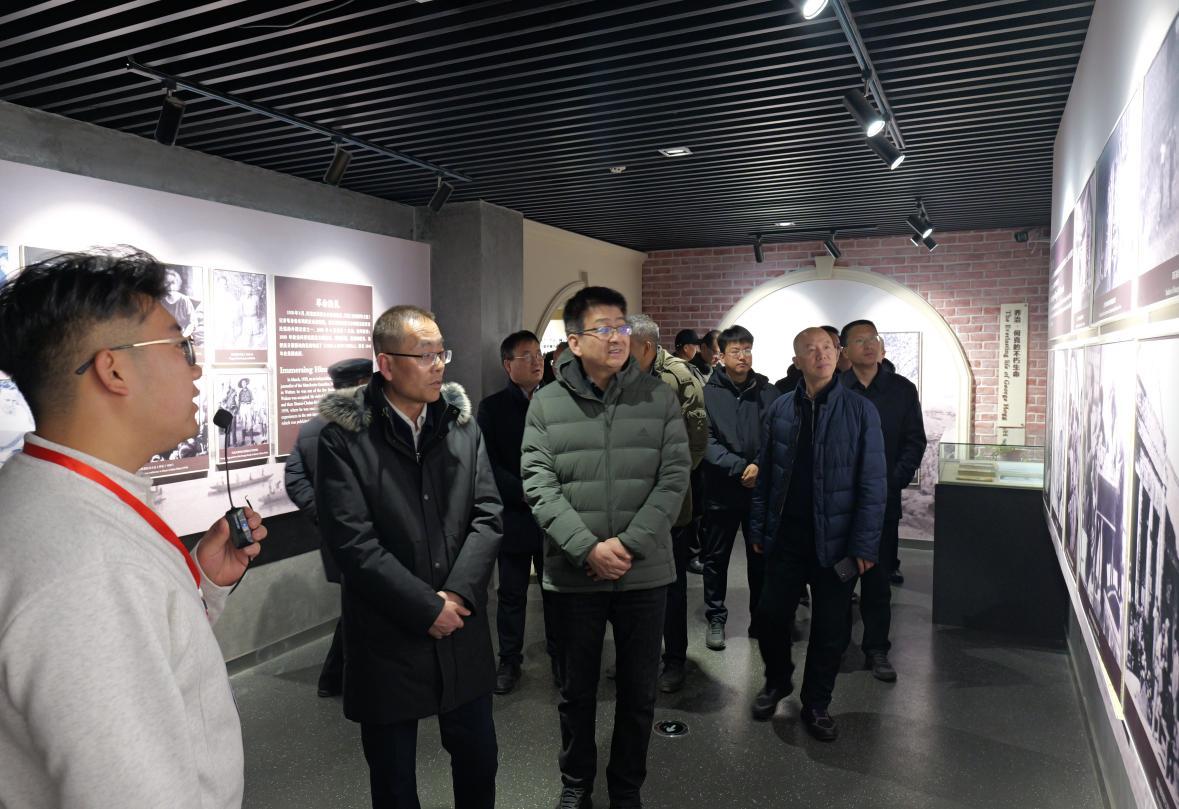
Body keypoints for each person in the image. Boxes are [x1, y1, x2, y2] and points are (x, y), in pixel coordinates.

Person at [0, 248, 267, 808]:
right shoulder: (88, 567)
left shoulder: (56, 501)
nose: (195, 368)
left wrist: (199, 585)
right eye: (179, 345)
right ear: (114, 369)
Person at [316, 305, 502, 809]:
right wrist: (426, 607)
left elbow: (487, 515)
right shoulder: (344, 438)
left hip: (460, 623)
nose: (438, 365)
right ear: (386, 364)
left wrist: (456, 596)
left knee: (478, 759)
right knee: (394, 779)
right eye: (424, 356)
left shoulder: (462, 427)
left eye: (441, 353)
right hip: (387, 632)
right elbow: (352, 542)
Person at [521, 286, 689, 809]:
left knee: (639, 692)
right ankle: (576, 781)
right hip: (575, 574)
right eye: (604, 328)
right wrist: (587, 548)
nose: (617, 338)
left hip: (645, 571)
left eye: (622, 327)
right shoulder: (546, 403)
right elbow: (538, 483)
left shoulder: (658, 397)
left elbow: (674, 477)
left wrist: (628, 545)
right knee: (575, 691)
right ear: (574, 341)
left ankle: (626, 787)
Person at [748, 326, 886, 742]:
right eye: (811, 349)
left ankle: (817, 703)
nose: (821, 354)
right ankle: (777, 680)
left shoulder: (860, 411)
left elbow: (873, 484)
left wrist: (864, 545)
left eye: (827, 347)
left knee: (830, 629)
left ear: (838, 354)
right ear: (797, 361)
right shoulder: (780, 409)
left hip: (837, 542)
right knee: (770, 616)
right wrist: (759, 527)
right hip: (787, 537)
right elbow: (766, 474)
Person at [839, 320, 926, 682]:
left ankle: (876, 648)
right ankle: (837, 645)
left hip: (882, 502)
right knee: (839, 580)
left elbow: (914, 441)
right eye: (860, 340)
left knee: (877, 582)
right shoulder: (834, 389)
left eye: (873, 338)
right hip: (841, 505)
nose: (869, 345)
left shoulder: (901, 390)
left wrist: (892, 482)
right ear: (845, 350)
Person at [283, 356, 374, 698]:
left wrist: (323, 513)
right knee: (362, 608)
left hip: (337, 537)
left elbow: (294, 478)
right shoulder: (369, 425)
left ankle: (336, 678)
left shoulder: (312, 427)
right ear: (364, 383)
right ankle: (345, 680)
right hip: (370, 536)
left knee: (358, 604)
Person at [628, 314, 708, 693]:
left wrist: (667, 482)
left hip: (669, 502)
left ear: (646, 347)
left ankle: (674, 659)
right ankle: (636, 657)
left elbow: (696, 439)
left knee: (670, 586)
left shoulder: (679, 376)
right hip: (628, 500)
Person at [477, 330, 559, 695]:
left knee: (556, 591)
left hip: (554, 514)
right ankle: (509, 660)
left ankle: (560, 656)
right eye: (527, 355)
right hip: (514, 513)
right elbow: (487, 463)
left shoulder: (557, 400)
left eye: (539, 353)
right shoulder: (492, 408)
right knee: (511, 594)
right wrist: (524, 491)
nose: (537, 360)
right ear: (508, 365)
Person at [699, 324, 781, 651]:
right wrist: (739, 467)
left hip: (759, 491)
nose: (743, 356)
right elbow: (704, 440)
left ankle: (759, 619)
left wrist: (759, 465)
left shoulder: (767, 392)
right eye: (736, 350)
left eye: (747, 349)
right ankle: (716, 617)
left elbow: (777, 435)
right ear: (721, 356)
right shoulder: (707, 394)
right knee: (715, 559)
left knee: (759, 557)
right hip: (720, 490)